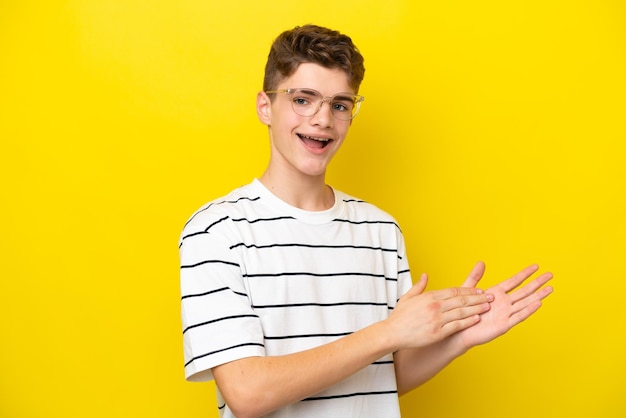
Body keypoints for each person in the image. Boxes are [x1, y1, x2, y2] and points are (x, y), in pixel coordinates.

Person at [179, 24, 553, 418]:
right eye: (303, 99)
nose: (323, 118)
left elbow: (381, 377)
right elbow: (247, 393)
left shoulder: (381, 231)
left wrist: (457, 341)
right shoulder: (216, 230)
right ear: (265, 106)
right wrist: (388, 333)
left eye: (340, 104)